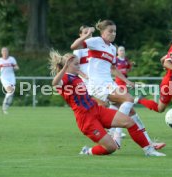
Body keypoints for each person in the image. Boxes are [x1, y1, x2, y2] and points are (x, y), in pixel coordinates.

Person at [49, 50, 165, 156]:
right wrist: (64, 67)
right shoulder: (65, 78)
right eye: (76, 64)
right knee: (111, 148)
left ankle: (149, 150)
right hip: (85, 119)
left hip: (97, 110)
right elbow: (54, 83)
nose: (79, 66)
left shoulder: (76, 77)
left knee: (129, 121)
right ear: (67, 66)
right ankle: (87, 151)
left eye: (78, 63)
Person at [71, 20, 165, 149]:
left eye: (115, 31)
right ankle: (116, 135)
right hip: (98, 84)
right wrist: (86, 35)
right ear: (102, 32)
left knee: (131, 112)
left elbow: (113, 69)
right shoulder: (96, 41)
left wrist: (127, 81)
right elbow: (74, 46)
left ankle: (149, 144)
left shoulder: (112, 48)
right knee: (129, 99)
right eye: (110, 31)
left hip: (109, 83)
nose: (113, 33)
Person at [0, 47, 19, 114]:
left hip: (11, 77)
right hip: (4, 78)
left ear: (8, 52)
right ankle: (4, 107)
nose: (5, 52)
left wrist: (15, 68)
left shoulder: (12, 59)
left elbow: (17, 67)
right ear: (1, 52)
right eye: (3, 51)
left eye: (6, 51)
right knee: (10, 90)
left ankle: (5, 109)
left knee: (11, 93)